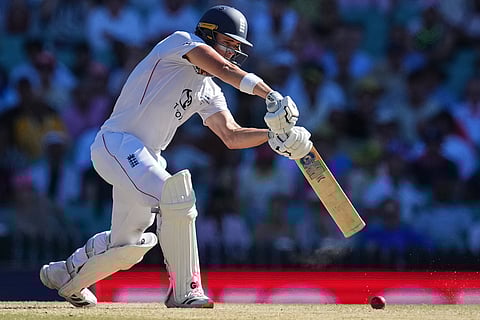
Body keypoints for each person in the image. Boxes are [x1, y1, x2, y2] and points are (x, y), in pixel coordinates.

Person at [39, 5, 312, 309]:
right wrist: (271, 94)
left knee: (128, 247)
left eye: (237, 48)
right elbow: (226, 70)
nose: (232, 53)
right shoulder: (180, 42)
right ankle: (185, 291)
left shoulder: (208, 90)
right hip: (116, 144)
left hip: (146, 158)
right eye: (229, 44)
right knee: (178, 198)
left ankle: (67, 273)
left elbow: (232, 136)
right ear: (208, 34)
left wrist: (274, 136)